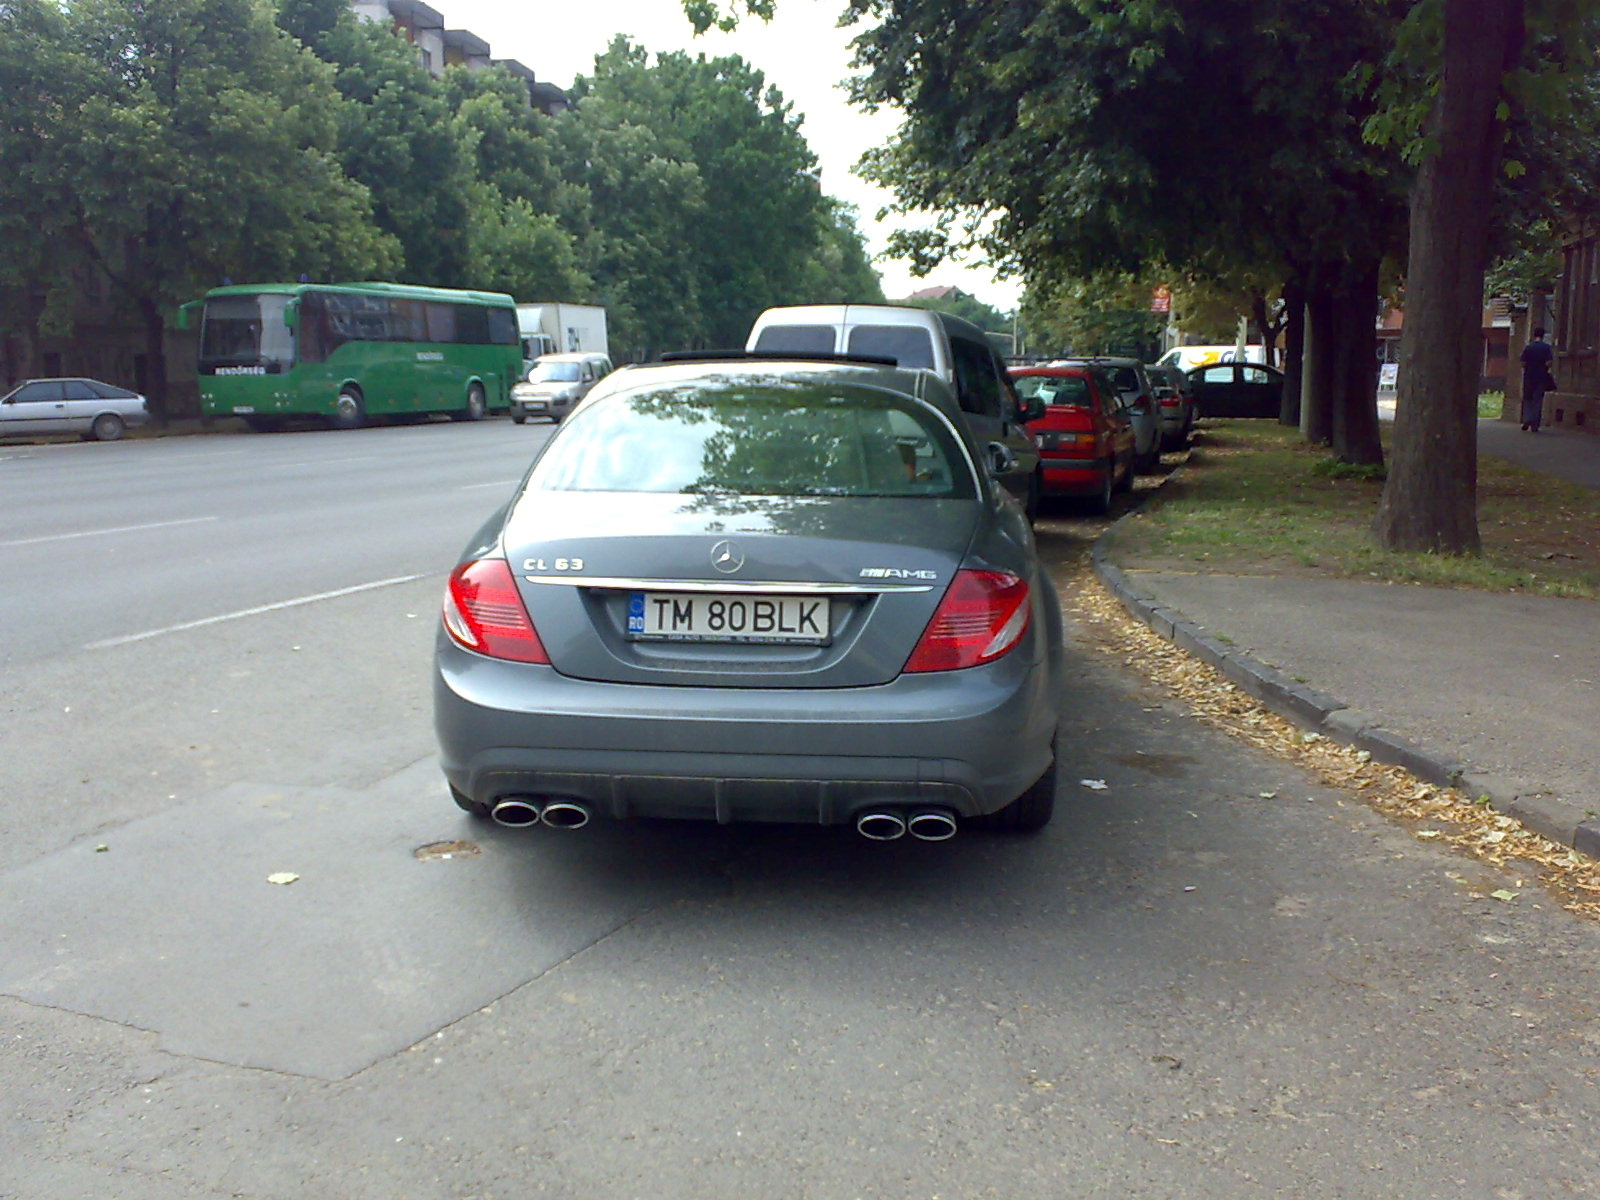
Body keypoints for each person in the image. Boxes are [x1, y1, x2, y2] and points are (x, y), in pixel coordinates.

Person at [1520, 326, 1556, 432]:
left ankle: (1527, 418)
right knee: (1538, 400)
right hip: (1541, 377)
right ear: (1543, 335)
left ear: (1534, 335)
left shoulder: (1529, 347)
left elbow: (1523, 363)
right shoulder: (1546, 348)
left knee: (1527, 399)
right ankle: (1535, 424)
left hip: (1529, 377)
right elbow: (1549, 362)